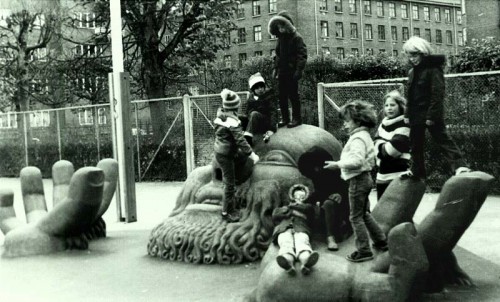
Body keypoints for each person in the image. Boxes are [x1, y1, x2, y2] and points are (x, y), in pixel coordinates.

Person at [324, 100, 388, 263]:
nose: (344, 125)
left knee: (355, 217)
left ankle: (364, 250)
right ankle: (381, 241)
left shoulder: (358, 138)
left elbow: (357, 161)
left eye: (347, 121)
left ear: (358, 121)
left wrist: (337, 165)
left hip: (358, 181)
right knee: (364, 214)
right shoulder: (363, 135)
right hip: (364, 179)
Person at [402, 36, 470, 180]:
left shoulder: (433, 70)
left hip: (430, 113)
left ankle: (459, 166)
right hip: (416, 113)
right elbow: (410, 95)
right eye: (409, 56)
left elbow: (437, 94)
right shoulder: (412, 72)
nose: (412, 59)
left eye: (414, 55)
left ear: (423, 53)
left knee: (443, 139)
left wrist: (431, 116)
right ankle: (417, 171)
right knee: (415, 144)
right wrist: (407, 114)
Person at [214, 89, 259, 223]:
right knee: (229, 184)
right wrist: (252, 154)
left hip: (221, 149)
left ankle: (235, 179)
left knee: (240, 158)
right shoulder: (232, 122)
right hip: (225, 154)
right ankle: (227, 212)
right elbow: (241, 141)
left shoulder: (221, 115)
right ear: (235, 107)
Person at [298, 146, 350, 252]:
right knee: (326, 204)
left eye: (317, 167)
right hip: (326, 206)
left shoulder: (336, 170)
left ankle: (331, 238)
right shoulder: (315, 174)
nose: (316, 170)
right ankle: (330, 234)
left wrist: (340, 194)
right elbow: (320, 191)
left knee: (328, 204)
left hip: (343, 203)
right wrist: (305, 199)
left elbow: (346, 186)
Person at [268, 10, 307, 128]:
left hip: (292, 72)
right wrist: (275, 68)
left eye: (281, 25)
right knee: (282, 96)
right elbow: (278, 55)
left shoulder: (297, 38)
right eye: (278, 26)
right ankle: (285, 119)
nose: (280, 28)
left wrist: (299, 70)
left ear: (287, 25)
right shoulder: (280, 38)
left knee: (293, 96)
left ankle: (297, 119)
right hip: (282, 72)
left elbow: (302, 55)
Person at [272, 184, 319, 275]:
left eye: (302, 196)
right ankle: (287, 262)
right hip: (284, 229)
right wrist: (290, 211)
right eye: (296, 196)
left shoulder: (308, 207)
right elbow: (275, 215)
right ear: (292, 196)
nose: (299, 198)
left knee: (302, 241)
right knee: (285, 242)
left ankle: (306, 260)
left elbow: (308, 210)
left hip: (301, 228)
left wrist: (290, 208)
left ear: (305, 197)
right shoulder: (283, 207)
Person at [374, 90, 411, 199]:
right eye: (386, 105)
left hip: (398, 176)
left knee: (397, 213)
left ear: (400, 106)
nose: (389, 108)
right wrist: (382, 147)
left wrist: (379, 147)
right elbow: (376, 144)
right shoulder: (383, 124)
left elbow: (390, 152)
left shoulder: (404, 124)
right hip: (381, 176)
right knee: (381, 212)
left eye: (393, 105)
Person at [241, 72, 278, 146]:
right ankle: (238, 135)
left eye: (261, 87)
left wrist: (271, 129)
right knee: (241, 117)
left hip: (265, 122)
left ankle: (248, 137)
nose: (260, 89)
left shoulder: (268, 96)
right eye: (257, 88)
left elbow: (273, 112)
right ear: (253, 90)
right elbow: (247, 111)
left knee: (254, 114)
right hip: (254, 121)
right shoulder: (251, 99)